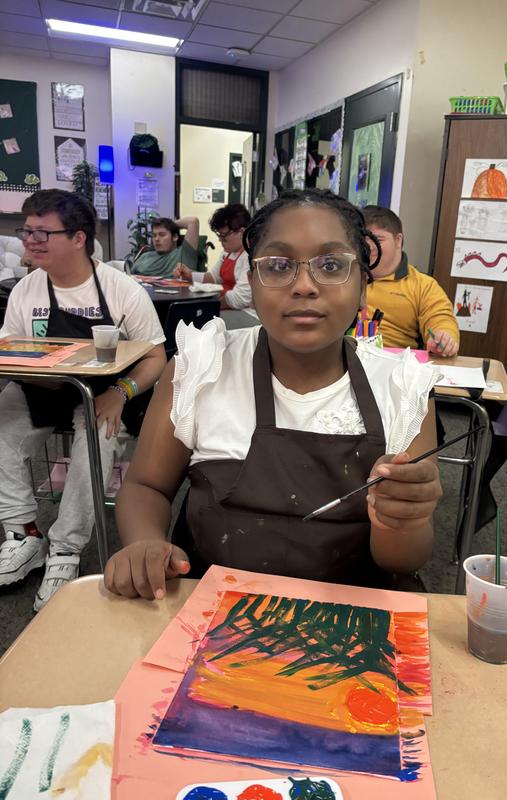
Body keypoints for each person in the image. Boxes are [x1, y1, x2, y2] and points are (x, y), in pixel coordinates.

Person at [104, 188, 442, 601]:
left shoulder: (403, 390)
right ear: (252, 281)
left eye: (332, 265)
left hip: (351, 623)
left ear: (363, 287)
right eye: (279, 265)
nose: (304, 285)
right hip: (212, 617)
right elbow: (146, 486)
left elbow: (404, 561)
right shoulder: (201, 368)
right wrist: (144, 542)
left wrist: (403, 519)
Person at [0, 189, 166, 610]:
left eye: (43, 232)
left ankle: (66, 548)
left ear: (78, 238)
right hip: (39, 389)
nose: (30, 240)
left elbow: (155, 356)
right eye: (27, 230)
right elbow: (11, 346)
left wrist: (120, 392)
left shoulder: (121, 290)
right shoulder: (26, 290)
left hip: (101, 393)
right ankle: (24, 535)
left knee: (96, 437)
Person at [362, 206, 459, 356]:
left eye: (378, 240)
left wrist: (444, 337)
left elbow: (439, 317)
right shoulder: (345, 277)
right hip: (342, 363)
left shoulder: (422, 285)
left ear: (398, 240)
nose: (369, 247)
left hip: (396, 366)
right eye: (363, 240)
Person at [174, 204, 251, 310]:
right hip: (226, 306)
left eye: (223, 236)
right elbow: (213, 277)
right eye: (219, 236)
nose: (220, 240)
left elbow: (240, 299)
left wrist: (206, 307)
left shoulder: (250, 256)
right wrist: (189, 274)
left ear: (242, 233)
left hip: (241, 311)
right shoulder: (228, 253)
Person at [131, 216, 200, 278]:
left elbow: (193, 221)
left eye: (162, 235)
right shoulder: (145, 256)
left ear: (175, 237)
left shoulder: (184, 252)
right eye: (154, 235)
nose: (156, 239)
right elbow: (129, 276)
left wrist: (170, 225)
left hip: (172, 290)